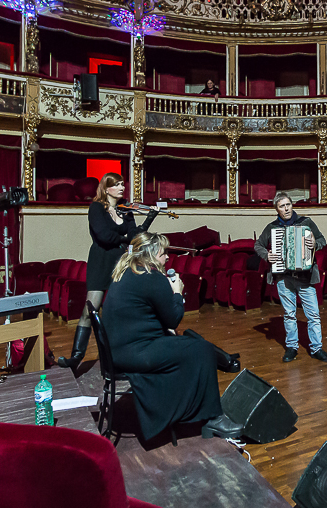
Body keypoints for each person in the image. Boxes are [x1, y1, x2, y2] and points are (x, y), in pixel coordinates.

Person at [103, 232, 243, 441]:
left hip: (117, 351)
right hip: (136, 353)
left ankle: (186, 408)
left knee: (189, 343)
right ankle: (214, 417)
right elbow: (173, 319)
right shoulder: (152, 277)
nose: (167, 258)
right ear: (151, 255)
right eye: (163, 253)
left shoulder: (126, 272)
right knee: (202, 349)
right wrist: (177, 293)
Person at [59, 172, 159, 370]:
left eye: (123, 184)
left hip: (120, 261)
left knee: (116, 312)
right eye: (117, 185)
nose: (122, 188)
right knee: (91, 309)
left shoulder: (125, 210)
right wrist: (123, 236)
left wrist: (148, 220)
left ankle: (112, 359)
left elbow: (134, 236)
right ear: (106, 188)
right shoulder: (96, 208)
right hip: (100, 260)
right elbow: (104, 236)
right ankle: (76, 358)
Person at [254, 192, 327, 363]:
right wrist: (267, 255)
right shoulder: (272, 227)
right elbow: (258, 244)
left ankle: (316, 348)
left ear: (292, 205)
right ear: (277, 209)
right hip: (284, 277)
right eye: (282, 206)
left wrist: (315, 244)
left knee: (313, 315)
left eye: (288, 204)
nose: (286, 208)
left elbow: (322, 240)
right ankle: (292, 347)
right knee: (289, 314)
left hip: (305, 276)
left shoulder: (306, 222)